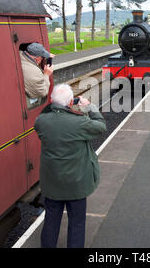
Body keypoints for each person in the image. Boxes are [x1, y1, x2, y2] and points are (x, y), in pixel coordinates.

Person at [34, 84, 107, 248]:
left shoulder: (41, 121)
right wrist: (89, 107)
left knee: (51, 220)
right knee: (77, 222)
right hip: (76, 183)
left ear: (52, 101)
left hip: (52, 182)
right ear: (69, 103)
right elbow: (101, 126)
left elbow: (42, 125)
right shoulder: (79, 122)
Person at [20, 42, 55, 108]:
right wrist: (46, 74)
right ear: (37, 58)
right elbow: (42, 92)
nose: (42, 59)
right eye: (42, 58)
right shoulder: (33, 72)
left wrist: (47, 55)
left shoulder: (20, 54)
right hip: (27, 104)